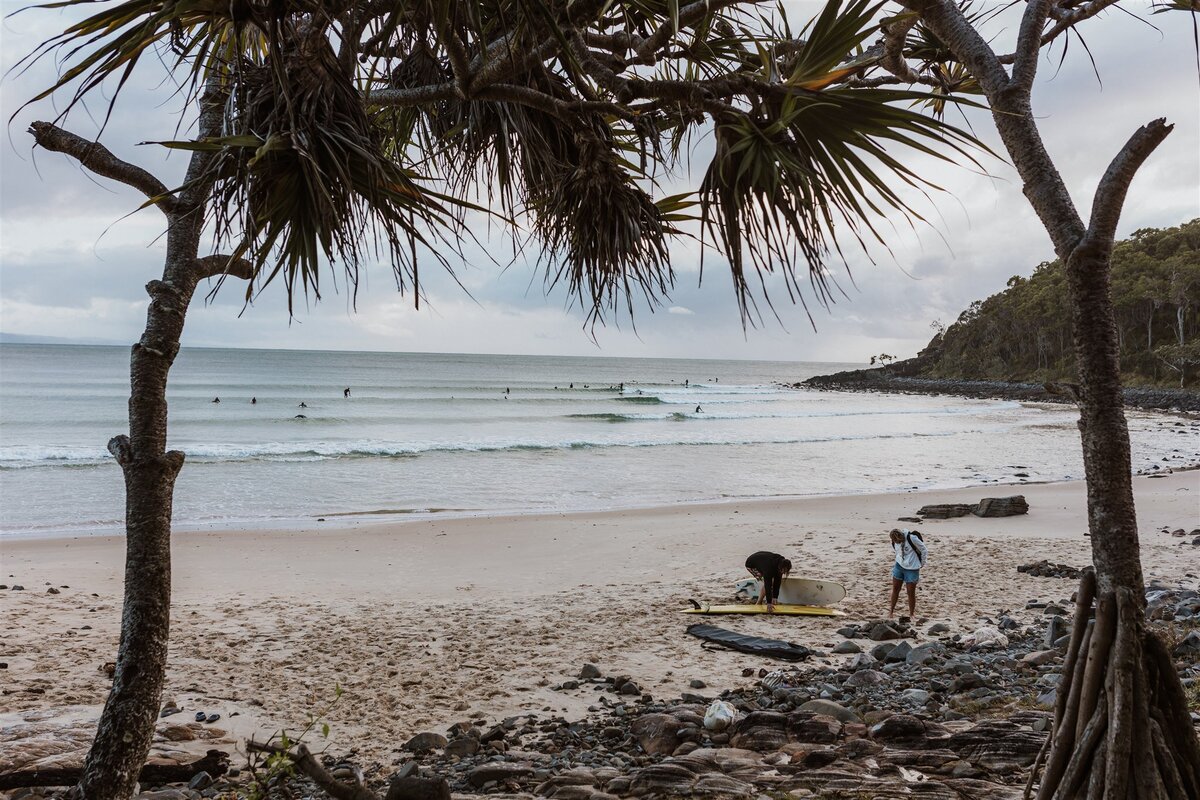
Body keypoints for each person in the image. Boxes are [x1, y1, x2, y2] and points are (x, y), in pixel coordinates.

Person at [888, 529, 928, 620]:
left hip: (912, 568)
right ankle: (891, 611)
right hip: (899, 565)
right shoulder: (894, 540)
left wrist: (921, 563)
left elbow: (924, 550)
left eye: (899, 541)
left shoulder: (912, 538)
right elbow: (896, 549)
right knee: (895, 588)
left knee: (910, 592)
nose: (897, 542)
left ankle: (911, 614)